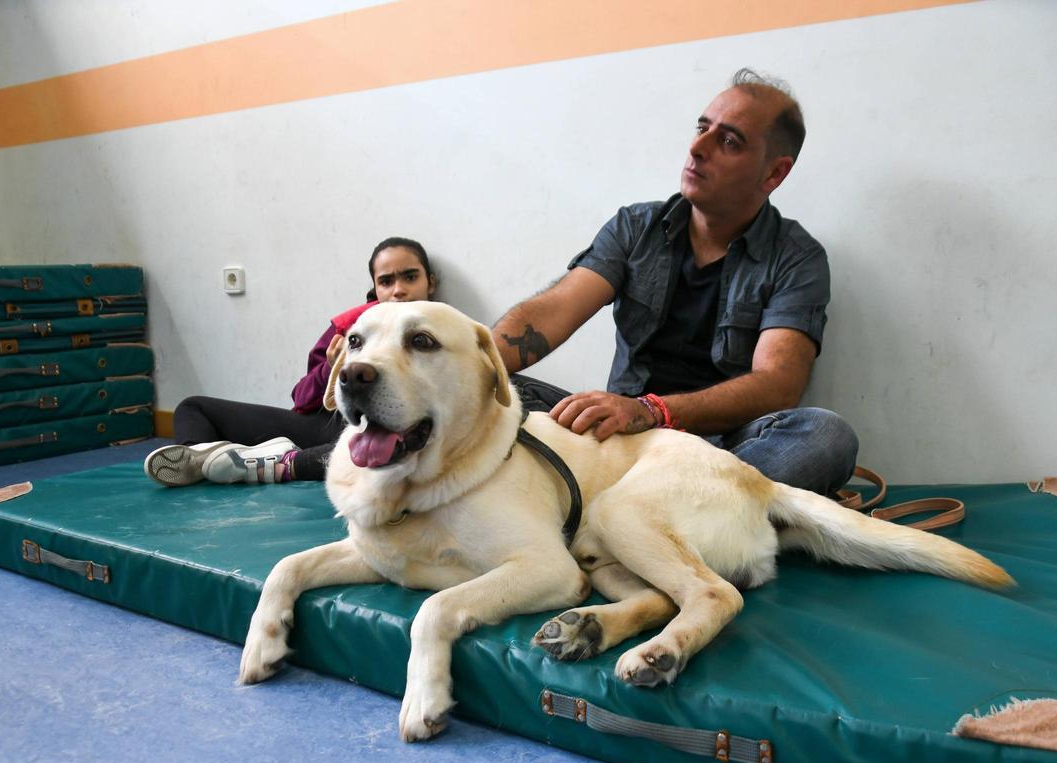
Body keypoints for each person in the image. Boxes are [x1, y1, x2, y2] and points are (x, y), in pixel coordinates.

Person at [493, 69, 858, 497]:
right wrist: (468, 365)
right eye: (702, 128)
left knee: (827, 437)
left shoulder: (796, 257)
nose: (697, 148)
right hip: (617, 444)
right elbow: (554, 311)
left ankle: (625, 511)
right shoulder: (635, 227)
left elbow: (778, 383)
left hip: (723, 450)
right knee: (487, 391)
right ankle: (670, 516)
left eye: (728, 141)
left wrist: (654, 410)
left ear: (773, 174)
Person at [143, 237, 437, 487]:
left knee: (361, 448)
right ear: (375, 289)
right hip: (325, 425)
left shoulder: (443, 335)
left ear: (430, 283)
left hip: (376, 433)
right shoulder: (350, 328)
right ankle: (199, 460)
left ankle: (266, 462)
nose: (399, 290)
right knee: (193, 407)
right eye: (386, 281)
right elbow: (302, 398)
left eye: (410, 277)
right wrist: (330, 368)